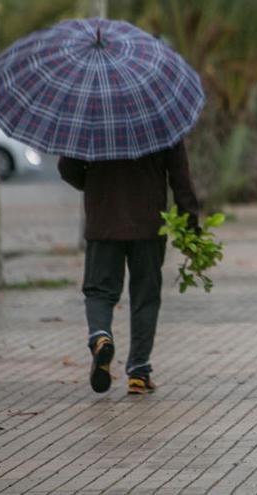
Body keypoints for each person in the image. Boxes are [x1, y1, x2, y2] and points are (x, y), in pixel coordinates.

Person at [58, 142, 200, 395]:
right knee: (145, 296)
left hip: (103, 222)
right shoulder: (162, 116)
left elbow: (67, 168)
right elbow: (180, 176)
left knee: (99, 291)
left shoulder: (91, 114)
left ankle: (100, 338)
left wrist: (92, 183)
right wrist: (190, 224)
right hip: (149, 224)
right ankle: (138, 371)